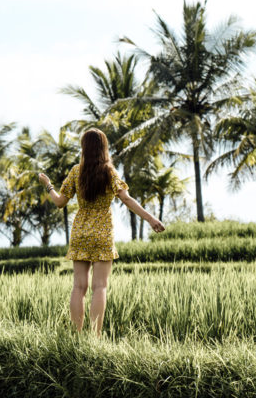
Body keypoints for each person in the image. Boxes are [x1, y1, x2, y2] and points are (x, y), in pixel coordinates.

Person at [38, 128, 165, 336]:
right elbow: (126, 199)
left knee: (78, 287)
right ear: (103, 148)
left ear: (84, 148)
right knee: (100, 287)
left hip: (80, 231)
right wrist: (150, 219)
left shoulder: (76, 171)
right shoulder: (109, 172)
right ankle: (95, 337)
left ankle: (76, 336)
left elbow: (60, 202)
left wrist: (48, 185)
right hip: (102, 232)